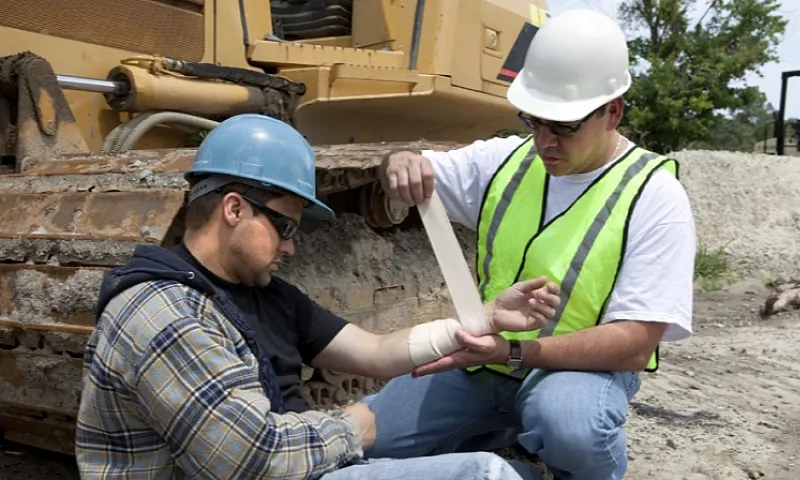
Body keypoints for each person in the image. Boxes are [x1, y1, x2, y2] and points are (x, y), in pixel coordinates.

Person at [74, 113, 564, 480]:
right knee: (484, 476)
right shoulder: (163, 312)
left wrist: (486, 319)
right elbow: (248, 457)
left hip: (293, 462)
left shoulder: (266, 294)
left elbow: (373, 352)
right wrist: (353, 428)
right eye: (284, 226)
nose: (290, 245)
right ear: (233, 208)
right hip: (263, 468)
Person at [362, 8, 697, 480]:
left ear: (613, 111)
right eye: (534, 121)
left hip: (577, 374)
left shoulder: (654, 196)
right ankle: (510, 447)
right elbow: (414, 166)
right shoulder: (506, 160)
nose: (545, 141)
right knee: (373, 440)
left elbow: (634, 345)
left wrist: (513, 352)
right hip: (484, 364)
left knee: (573, 427)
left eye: (563, 126)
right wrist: (399, 161)